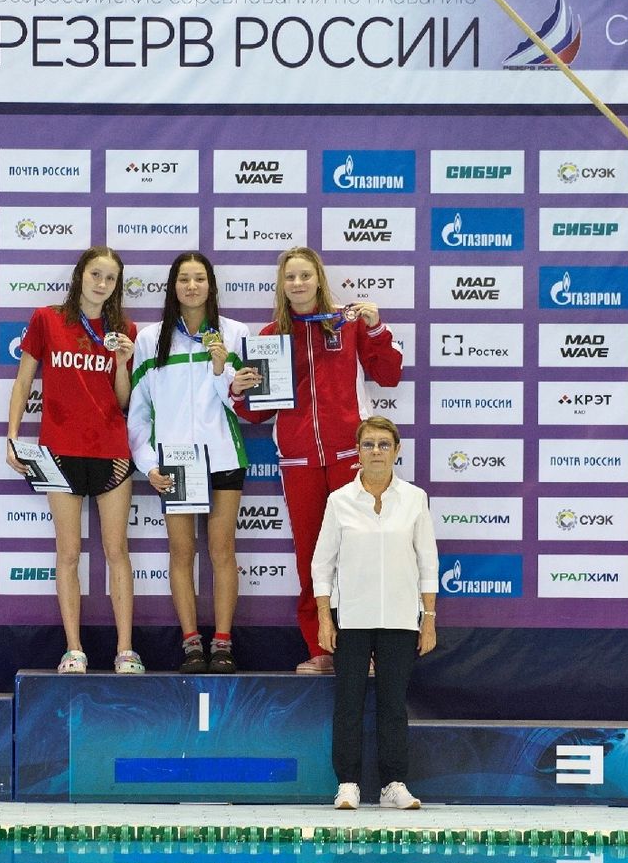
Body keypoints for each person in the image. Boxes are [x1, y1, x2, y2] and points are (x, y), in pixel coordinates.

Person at [230, 247, 402, 673]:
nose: (298, 283)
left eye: (305, 275)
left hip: (349, 457)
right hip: (299, 462)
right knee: (313, 560)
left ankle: (364, 652)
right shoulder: (271, 336)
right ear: (281, 284)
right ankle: (322, 649)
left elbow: (389, 374)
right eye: (290, 277)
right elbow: (256, 413)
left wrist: (376, 329)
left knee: (360, 556)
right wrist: (239, 390)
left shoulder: (347, 323)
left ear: (319, 279)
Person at [5, 245, 144, 675]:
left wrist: (122, 363)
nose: (102, 284)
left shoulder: (124, 330)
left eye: (110, 278)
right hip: (59, 452)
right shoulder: (47, 319)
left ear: (117, 286)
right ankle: (73, 650)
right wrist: (12, 436)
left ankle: (126, 651)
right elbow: (24, 380)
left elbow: (123, 400)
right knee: (68, 552)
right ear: (80, 275)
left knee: (117, 551)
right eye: (95, 274)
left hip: (111, 452)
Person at [127, 252, 251, 674]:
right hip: (176, 463)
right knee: (181, 552)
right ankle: (191, 643)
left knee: (222, 550)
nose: (192, 286)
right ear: (173, 286)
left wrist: (221, 370)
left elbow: (242, 405)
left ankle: (223, 643)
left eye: (199, 278)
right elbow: (139, 413)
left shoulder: (235, 333)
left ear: (211, 285)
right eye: (184, 279)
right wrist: (149, 464)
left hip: (223, 456)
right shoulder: (150, 339)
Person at [312, 416, 438, 810]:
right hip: (351, 618)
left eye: (384, 444)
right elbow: (322, 564)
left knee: (392, 704)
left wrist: (429, 618)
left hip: (401, 618)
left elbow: (428, 562)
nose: (377, 452)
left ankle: (393, 785)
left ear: (397, 450)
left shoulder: (414, 498)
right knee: (348, 702)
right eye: (369, 444)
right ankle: (347, 783)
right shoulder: (340, 500)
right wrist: (324, 617)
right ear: (358, 452)